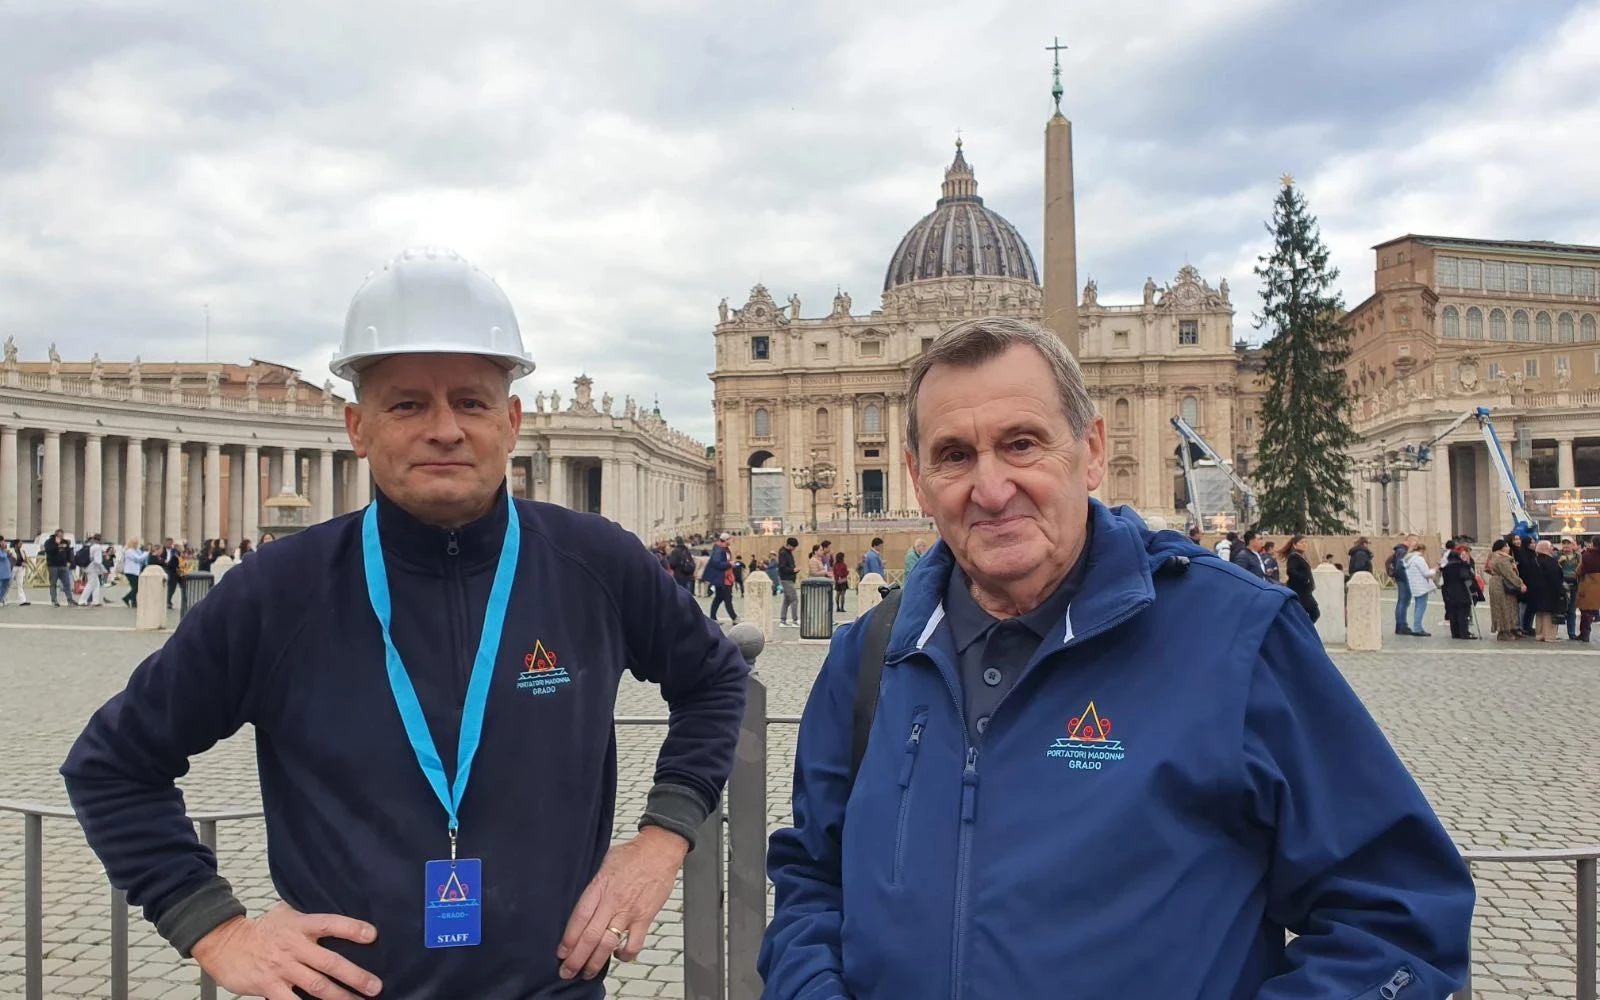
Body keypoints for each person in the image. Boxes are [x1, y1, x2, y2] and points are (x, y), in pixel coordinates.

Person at [61, 248, 750, 999]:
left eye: (472, 401)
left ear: (513, 420)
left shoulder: (596, 563)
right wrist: (214, 926)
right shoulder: (278, 591)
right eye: (408, 404)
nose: (445, 429)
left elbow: (715, 678)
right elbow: (112, 765)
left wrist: (662, 838)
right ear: (357, 427)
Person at [758, 317, 1473, 999]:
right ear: (918, 478)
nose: (992, 488)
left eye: (1022, 443)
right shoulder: (868, 656)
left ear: (1093, 450)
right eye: (955, 455)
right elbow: (814, 881)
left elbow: (1397, 913)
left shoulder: (1237, 637)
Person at [1485, 538, 1526, 641]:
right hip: (1502, 585)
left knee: (1504, 607)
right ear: (1502, 548)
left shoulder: (1493, 556)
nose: (1508, 548)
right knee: (1505, 607)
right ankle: (1504, 631)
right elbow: (1509, 574)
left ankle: (1511, 629)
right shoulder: (1502, 559)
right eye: (1506, 546)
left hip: (1496, 584)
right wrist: (1520, 583)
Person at [1529, 539, 1566, 642]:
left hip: (1537, 591)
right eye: (1551, 547)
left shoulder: (1534, 560)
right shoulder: (1551, 561)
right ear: (1546, 549)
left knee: (1540, 613)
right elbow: (1555, 578)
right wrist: (1561, 591)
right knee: (1548, 614)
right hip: (1550, 591)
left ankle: (1539, 634)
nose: (1552, 549)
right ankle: (1549, 635)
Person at [1440, 547, 1479, 640]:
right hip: (1462, 592)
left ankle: (1455, 633)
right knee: (1463, 613)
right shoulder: (1462, 565)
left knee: (1453, 613)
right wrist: (1473, 590)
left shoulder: (1446, 567)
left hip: (1449, 592)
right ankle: (1464, 633)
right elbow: (1467, 578)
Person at [703, 532, 739, 624]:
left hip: (724, 577)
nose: (731, 541)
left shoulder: (724, 549)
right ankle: (734, 617)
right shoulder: (719, 550)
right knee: (727, 598)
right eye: (729, 539)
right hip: (722, 578)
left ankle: (713, 618)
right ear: (725, 540)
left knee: (719, 598)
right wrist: (729, 564)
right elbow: (717, 564)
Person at [1403, 542, 1436, 636]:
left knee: (1418, 606)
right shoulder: (1419, 559)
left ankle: (1417, 626)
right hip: (1421, 586)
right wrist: (1435, 570)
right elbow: (1426, 573)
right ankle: (1417, 627)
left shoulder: (1409, 559)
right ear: (1422, 550)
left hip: (1414, 585)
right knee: (1421, 607)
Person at [1283, 534, 1318, 623]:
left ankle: (1303, 631)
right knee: (1315, 612)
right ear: (1295, 545)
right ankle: (1304, 631)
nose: (1304, 544)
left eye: (1306, 542)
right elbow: (1290, 571)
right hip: (1300, 592)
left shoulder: (1301, 556)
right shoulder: (1294, 557)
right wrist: (1305, 580)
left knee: (1303, 614)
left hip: (1305, 592)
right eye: (1301, 542)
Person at [1388, 534, 1417, 635]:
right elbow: (1401, 565)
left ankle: (1401, 624)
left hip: (1401, 577)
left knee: (1403, 601)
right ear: (1409, 541)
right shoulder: (1402, 551)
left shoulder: (1400, 550)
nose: (1416, 544)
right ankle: (1401, 625)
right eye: (1415, 541)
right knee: (1403, 602)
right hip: (1403, 578)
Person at [1576, 537, 1600, 642]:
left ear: (1592, 543)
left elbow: (1579, 570)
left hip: (1589, 585)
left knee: (1586, 612)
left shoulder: (1587, 555)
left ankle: (1584, 635)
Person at [777, 537, 800, 627]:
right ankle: (795, 620)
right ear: (790, 545)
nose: (794, 549)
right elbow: (782, 567)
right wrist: (793, 570)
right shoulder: (783, 553)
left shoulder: (787, 552)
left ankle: (783, 620)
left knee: (786, 601)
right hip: (786, 579)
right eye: (794, 547)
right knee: (794, 599)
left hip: (788, 578)